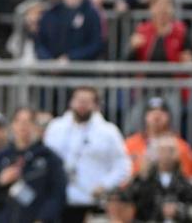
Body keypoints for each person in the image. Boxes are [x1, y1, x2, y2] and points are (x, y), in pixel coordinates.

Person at [43, 87, 131, 223]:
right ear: (71, 102)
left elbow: (123, 166)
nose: (82, 105)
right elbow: (45, 160)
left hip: (91, 202)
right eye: (79, 100)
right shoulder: (56, 127)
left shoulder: (108, 132)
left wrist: (105, 185)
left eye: (87, 102)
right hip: (59, 200)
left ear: (96, 105)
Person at [0, 107, 67, 223]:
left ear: (35, 126)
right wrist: (0, 181)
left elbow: (57, 194)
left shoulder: (49, 158)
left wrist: (43, 218)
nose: (23, 126)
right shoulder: (1, 157)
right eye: (19, 121)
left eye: (28, 122)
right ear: (13, 125)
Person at [128, 135, 192, 223]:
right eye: (162, 150)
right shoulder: (143, 182)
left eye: (171, 150)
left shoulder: (188, 184)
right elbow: (128, 207)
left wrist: (178, 210)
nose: (167, 154)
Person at [124, 97, 192, 183]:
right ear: (145, 116)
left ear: (169, 117)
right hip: (137, 190)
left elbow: (186, 178)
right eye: (152, 111)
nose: (157, 114)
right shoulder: (130, 144)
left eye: (162, 111)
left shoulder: (180, 147)